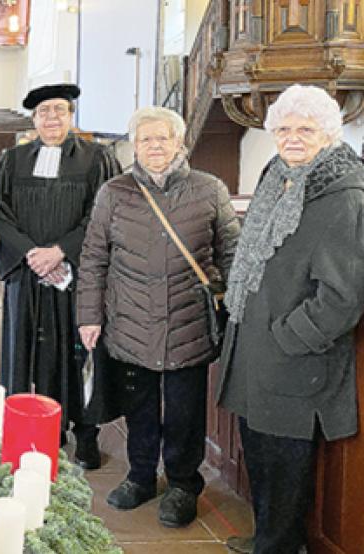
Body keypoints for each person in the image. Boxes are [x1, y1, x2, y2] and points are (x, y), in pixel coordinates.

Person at [216, 84, 364, 554]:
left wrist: (288, 338)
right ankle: (269, 539)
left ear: (329, 133)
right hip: (255, 352)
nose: (292, 137)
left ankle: (277, 547)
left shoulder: (344, 195)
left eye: (305, 129)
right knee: (259, 456)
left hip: (294, 359)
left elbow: (343, 297)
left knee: (284, 467)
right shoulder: (277, 173)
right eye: (283, 128)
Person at [76, 106, 239, 527]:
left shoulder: (210, 190)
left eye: (162, 138)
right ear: (134, 144)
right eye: (145, 138)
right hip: (130, 321)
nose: (154, 146)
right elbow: (93, 258)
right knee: (141, 407)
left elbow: (232, 254)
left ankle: (184, 484)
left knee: (185, 412)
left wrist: (237, 310)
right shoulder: (113, 192)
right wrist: (89, 316)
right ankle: (141, 475)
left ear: (179, 142)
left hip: (188, 322)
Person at [0, 84, 121, 470]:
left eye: (60, 111)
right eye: (44, 111)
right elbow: (0, 213)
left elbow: (101, 217)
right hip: (26, 273)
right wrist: (33, 254)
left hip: (74, 274)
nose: (52, 118)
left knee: (77, 352)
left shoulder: (96, 158)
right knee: (25, 352)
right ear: (33, 119)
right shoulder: (12, 160)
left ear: (71, 116)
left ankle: (84, 433)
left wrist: (60, 251)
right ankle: (31, 427)